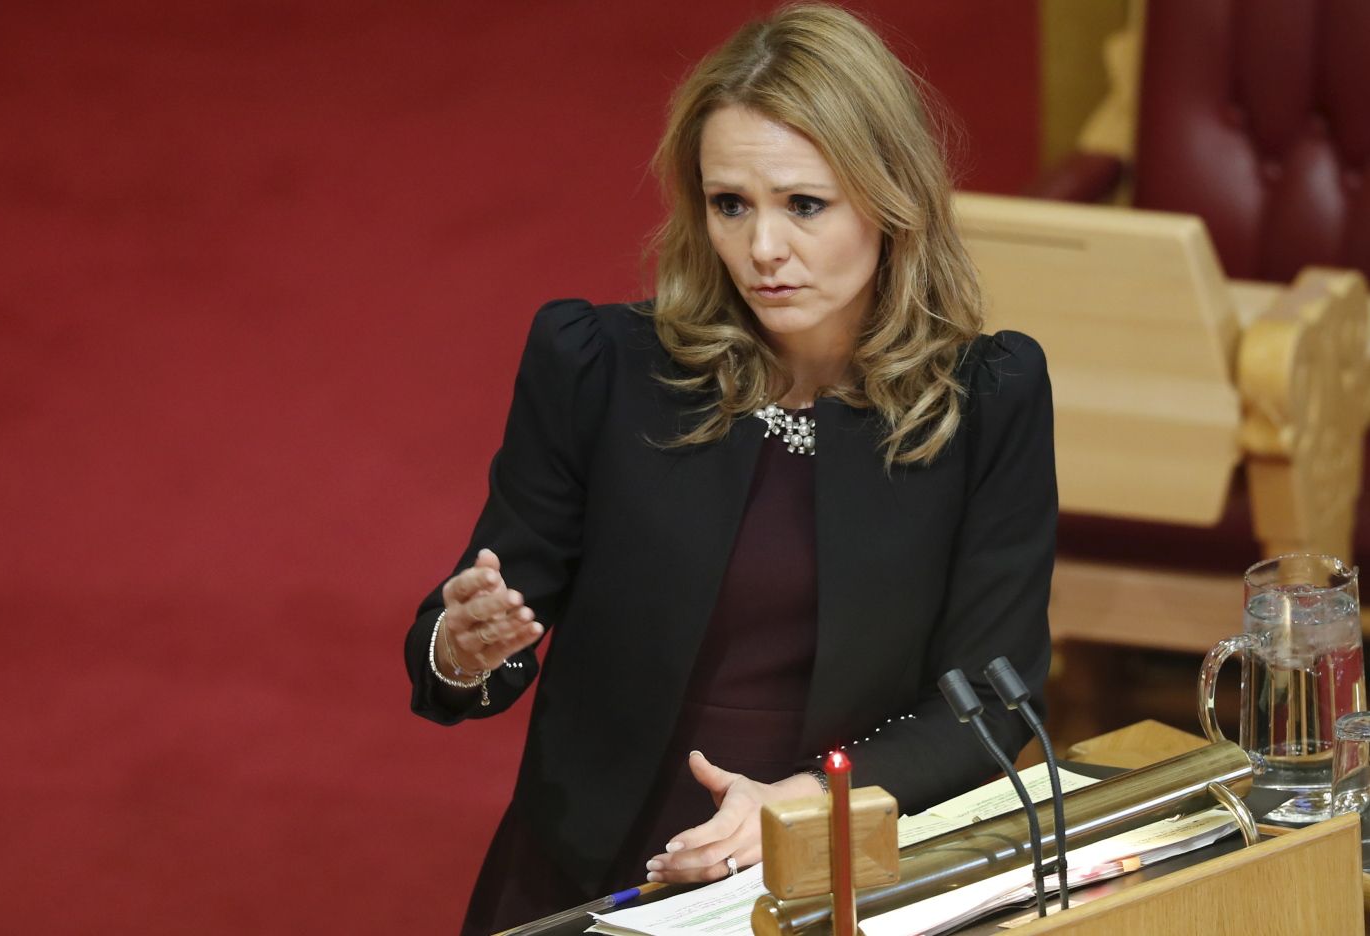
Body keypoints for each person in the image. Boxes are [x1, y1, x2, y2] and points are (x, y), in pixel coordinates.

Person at [404, 5, 1057, 933]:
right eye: (729, 204)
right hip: (598, 873)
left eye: (803, 205)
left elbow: (991, 702)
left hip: (843, 869)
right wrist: (462, 650)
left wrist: (801, 807)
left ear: (890, 198)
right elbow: (479, 623)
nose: (761, 250)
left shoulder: (985, 398)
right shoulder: (599, 366)